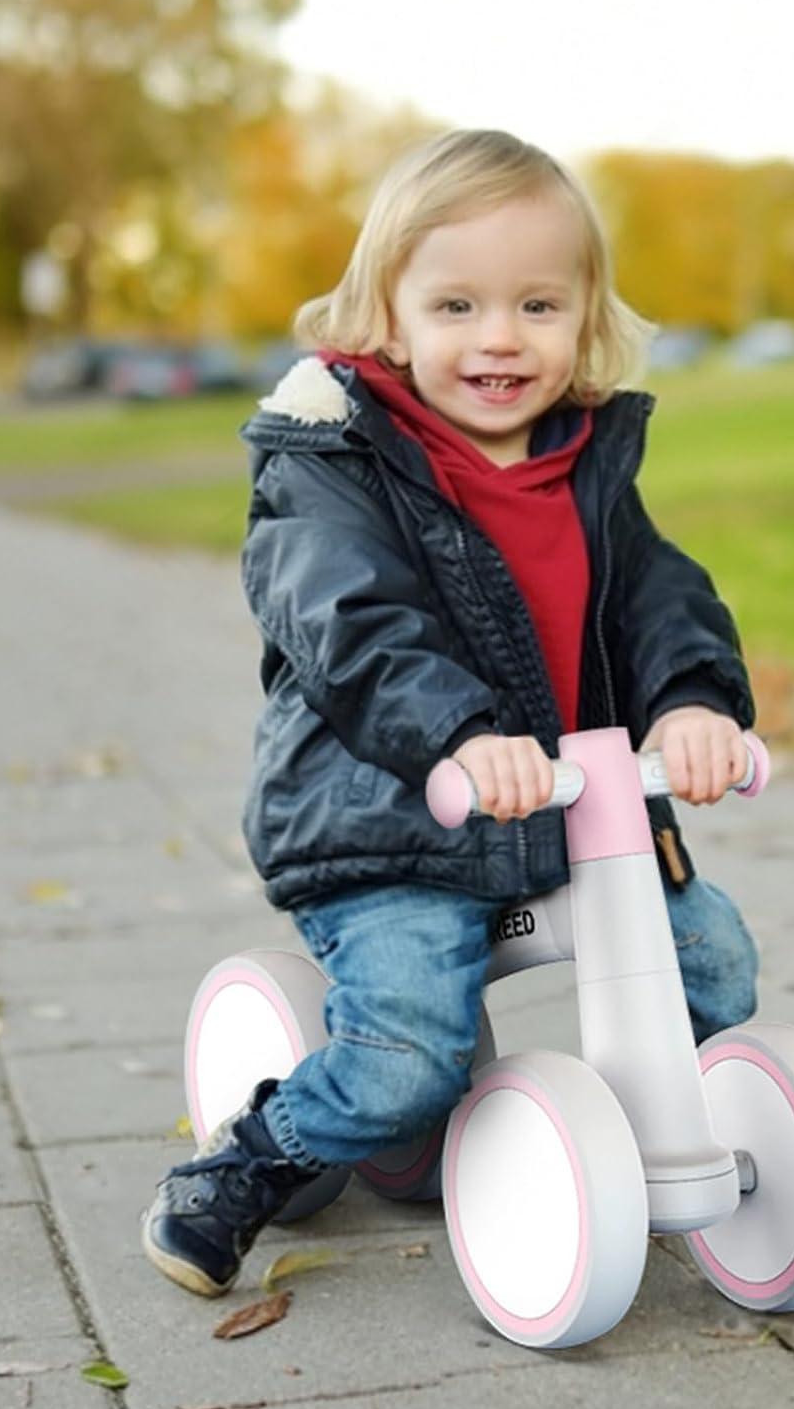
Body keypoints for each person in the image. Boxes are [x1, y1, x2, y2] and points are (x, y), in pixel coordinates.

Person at [143, 129, 760, 1297]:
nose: (499, 338)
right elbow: (352, 624)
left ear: (586, 316)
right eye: (459, 303)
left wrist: (691, 705)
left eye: (537, 304)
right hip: (392, 823)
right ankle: (248, 1161)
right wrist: (461, 737)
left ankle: (645, 1133)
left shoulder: (587, 464)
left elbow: (659, 601)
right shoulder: (325, 466)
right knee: (410, 1055)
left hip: (561, 818)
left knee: (715, 965)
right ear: (388, 313)